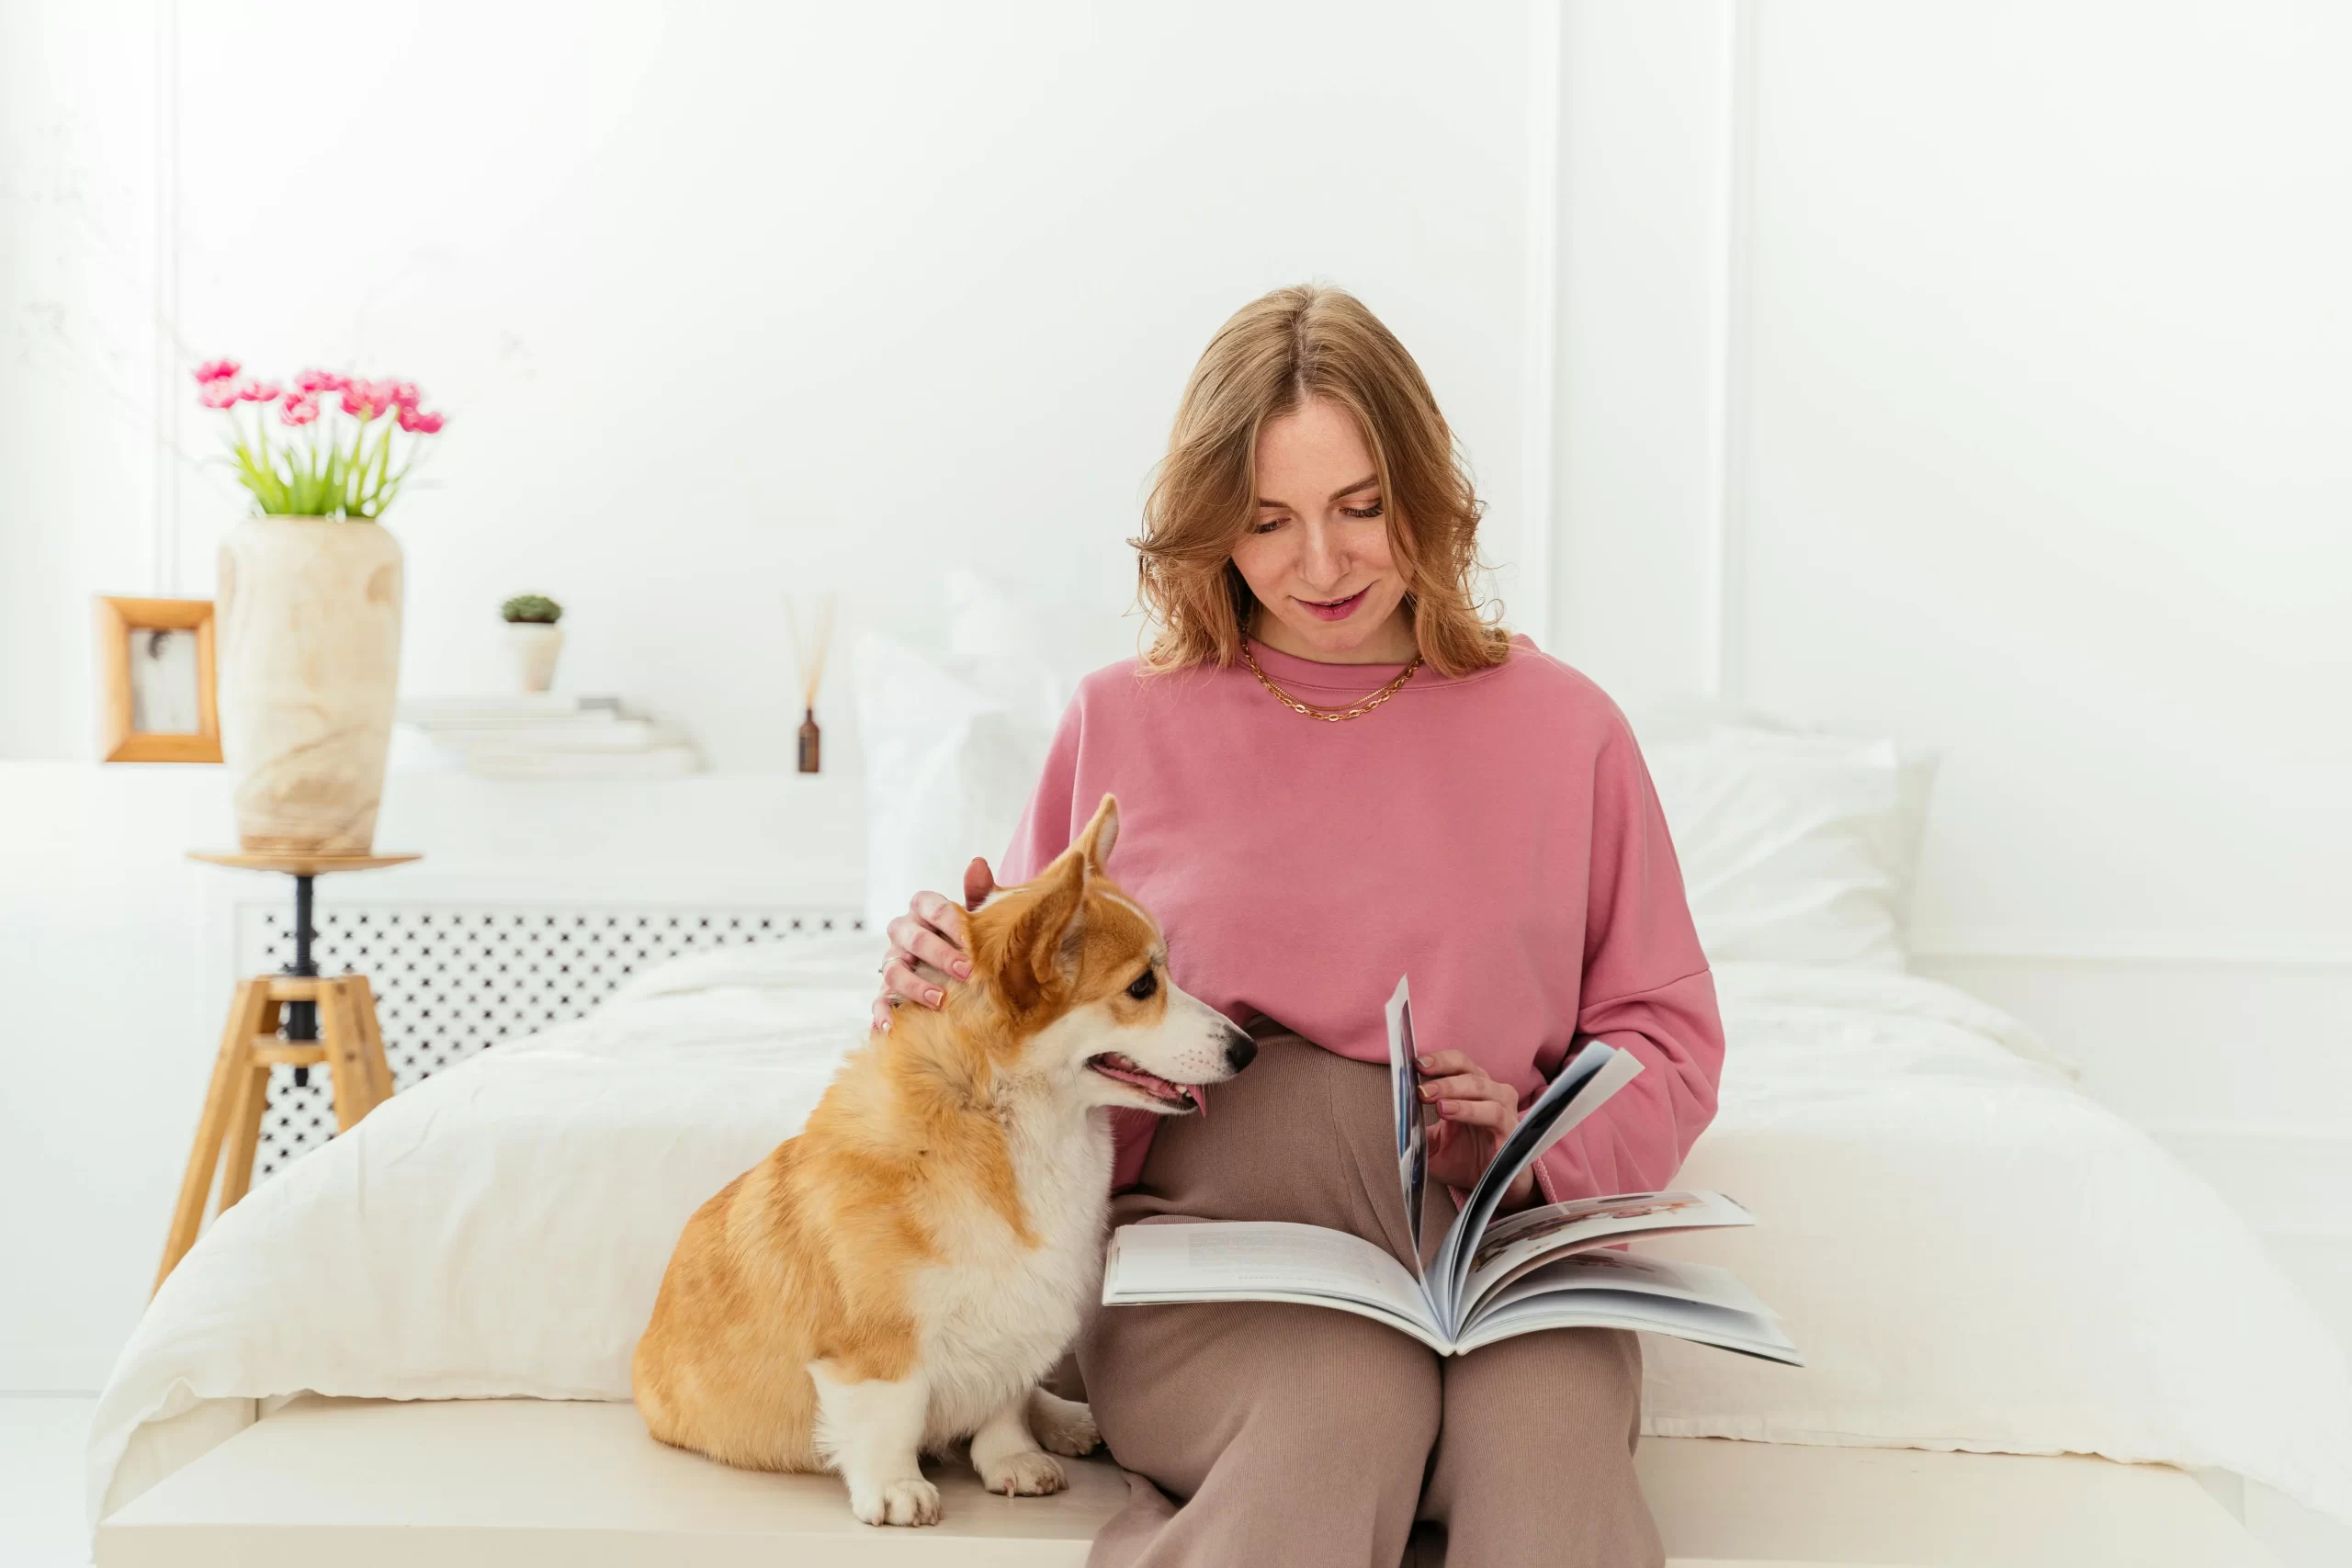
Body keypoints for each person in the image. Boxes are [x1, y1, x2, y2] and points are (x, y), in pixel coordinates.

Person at [873, 284, 1724, 1568]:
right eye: (1267, 521)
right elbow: (1031, 1027)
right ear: (1211, 528)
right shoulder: (1123, 717)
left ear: (1425, 497)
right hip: (1218, 1264)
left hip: (1497, 1246)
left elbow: (1665, 1029)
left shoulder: (1568, 727)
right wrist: (938, 983)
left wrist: (1536, 1138)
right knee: (1335, 1411)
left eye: (1361, 507)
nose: (1319, 563)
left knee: (1549, 1461)